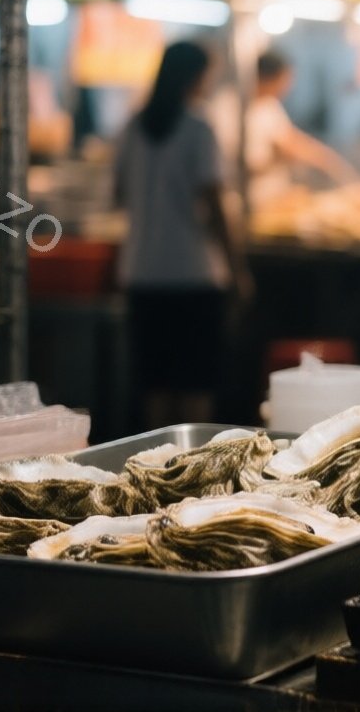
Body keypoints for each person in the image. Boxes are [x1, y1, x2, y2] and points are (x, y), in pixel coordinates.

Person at [115, 42, 247, 429]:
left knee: (154, 381)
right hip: (194, 273)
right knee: (195, 382)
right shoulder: (198, 128)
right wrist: (238, 270)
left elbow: (118, 194)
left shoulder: (133, 126)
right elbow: (215, 204)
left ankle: (155, 469)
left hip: (142, 272)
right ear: (193, 76)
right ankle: (192, 473)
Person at [245, 49, 358, 205]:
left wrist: (333, 163)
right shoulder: (241, 111)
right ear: (272, 78)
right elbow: (239, 168)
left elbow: (292, 139)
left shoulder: (270, 106)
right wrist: (278, 159)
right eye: (286, 80)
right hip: (255, 200)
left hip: (276, 196)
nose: (288, 86)